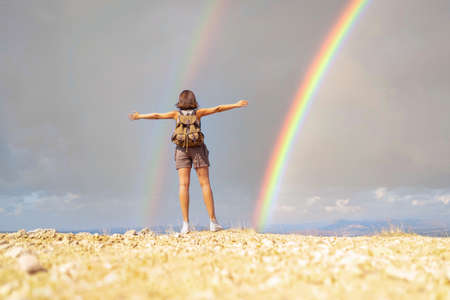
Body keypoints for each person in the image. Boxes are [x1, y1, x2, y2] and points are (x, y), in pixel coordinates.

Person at [128, 90, 248, 234]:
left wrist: (139, 116)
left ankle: (185, 224)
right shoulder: (198, 113)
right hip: (197, 149)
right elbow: (218, 108)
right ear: (193, 100)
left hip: (181, 151)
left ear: (180, 101)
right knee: (205, 184)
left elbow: (156, 116)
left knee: (183, 185)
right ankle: (213, 222)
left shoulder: (175, 115)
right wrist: (236, 104)